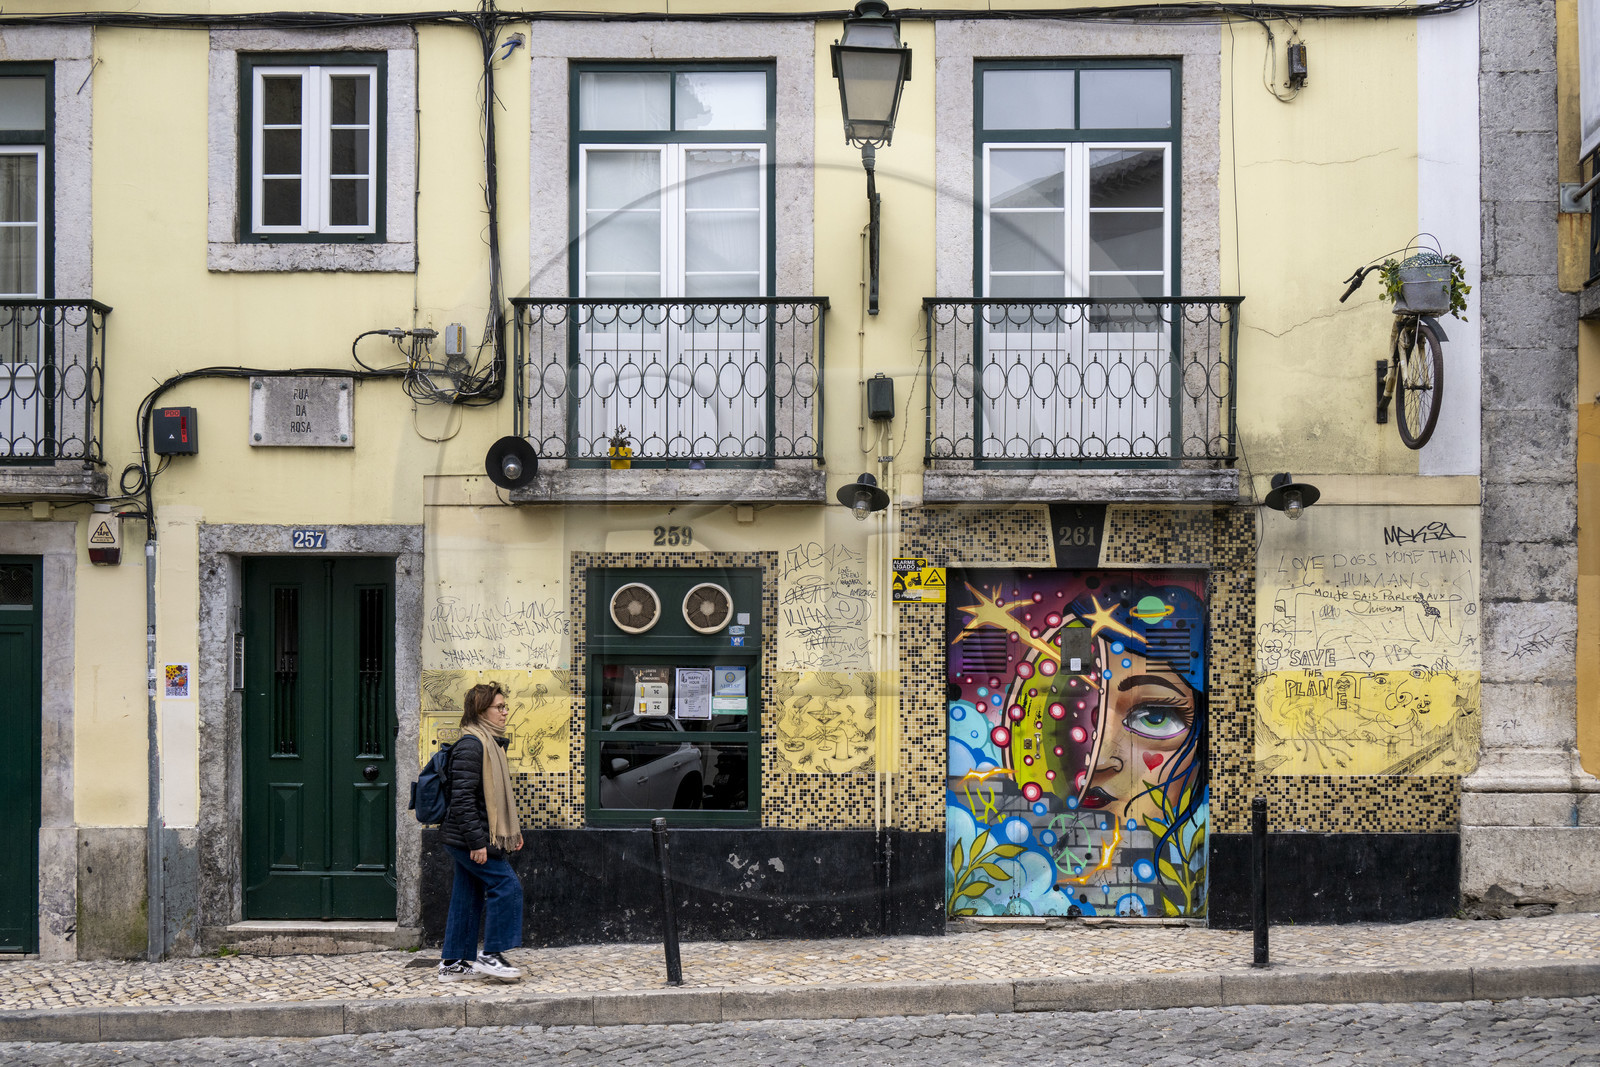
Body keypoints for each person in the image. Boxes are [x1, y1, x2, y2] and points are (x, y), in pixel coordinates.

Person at [438, 681, 525, 982]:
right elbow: (461, 800)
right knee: (507, 886)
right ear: (481, 711)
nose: (505, 712)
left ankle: (453, 964)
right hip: (468, 838)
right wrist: (477, 843)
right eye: (499, 707)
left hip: (475, 835)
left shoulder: (490, 744)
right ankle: (491, 955)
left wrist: (511, 832)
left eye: (504, 706)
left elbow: (491, 800)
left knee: (467, 894)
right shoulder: (472, 745)